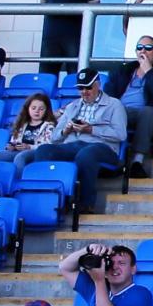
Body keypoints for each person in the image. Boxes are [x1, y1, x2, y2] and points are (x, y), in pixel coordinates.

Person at [26, 69, 128, 208]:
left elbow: (120, 134)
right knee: (44, 150)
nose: (84, 92)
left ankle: (85, 204)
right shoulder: (72, 106)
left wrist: (91, 129)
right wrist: (65, 130)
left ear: (98, 85)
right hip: (73, 144)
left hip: (102, 146)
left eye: (88, 87)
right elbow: (54, 137)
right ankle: (46, 201)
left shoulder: (114, 104)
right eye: (81, 88)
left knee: (86, 154)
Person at [104, 36, 153, 177]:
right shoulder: (125, 70)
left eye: (148, 48)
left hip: (143, 113)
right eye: (140, 48)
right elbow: (108, 93)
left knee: (148, 112)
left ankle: (137, 161)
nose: (143, 52)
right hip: (119, 110)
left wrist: (149, 72)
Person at [2, 91, 59, 164]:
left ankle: (19, 175)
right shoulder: (22, 123)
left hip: (36, 152)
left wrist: (29, 147)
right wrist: (11, 146)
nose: (37, 111)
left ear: (46, 110)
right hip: (18, 151)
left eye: (41, 109)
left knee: (20, 158)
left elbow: (48, 145)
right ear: (28, 108)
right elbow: (14, 140)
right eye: (33, 108)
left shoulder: (50, 126)